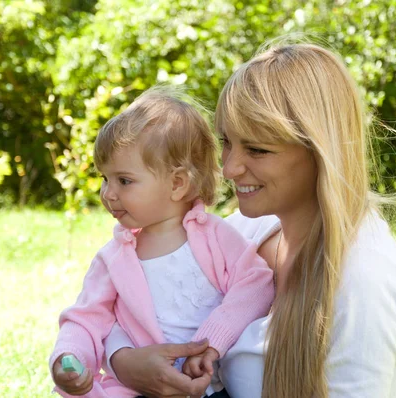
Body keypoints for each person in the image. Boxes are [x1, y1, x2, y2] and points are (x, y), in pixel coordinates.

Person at [103, 42, 396, 397]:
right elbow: (137, 303)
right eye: (227, 142)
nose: (229, 168)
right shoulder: (245, 233)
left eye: (257, 149)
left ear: (320, 150)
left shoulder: (365, 281)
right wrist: (125, 362)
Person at [48, 88, 274, 397]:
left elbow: (256, 283)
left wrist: (211, 342)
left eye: (124, 180)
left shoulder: (214, 238)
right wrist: (68, 357)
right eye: (105, 178)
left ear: (177, 183)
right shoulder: (114, 258)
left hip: (207, 387)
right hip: (139, 388)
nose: (108, 194)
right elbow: (86, 319)